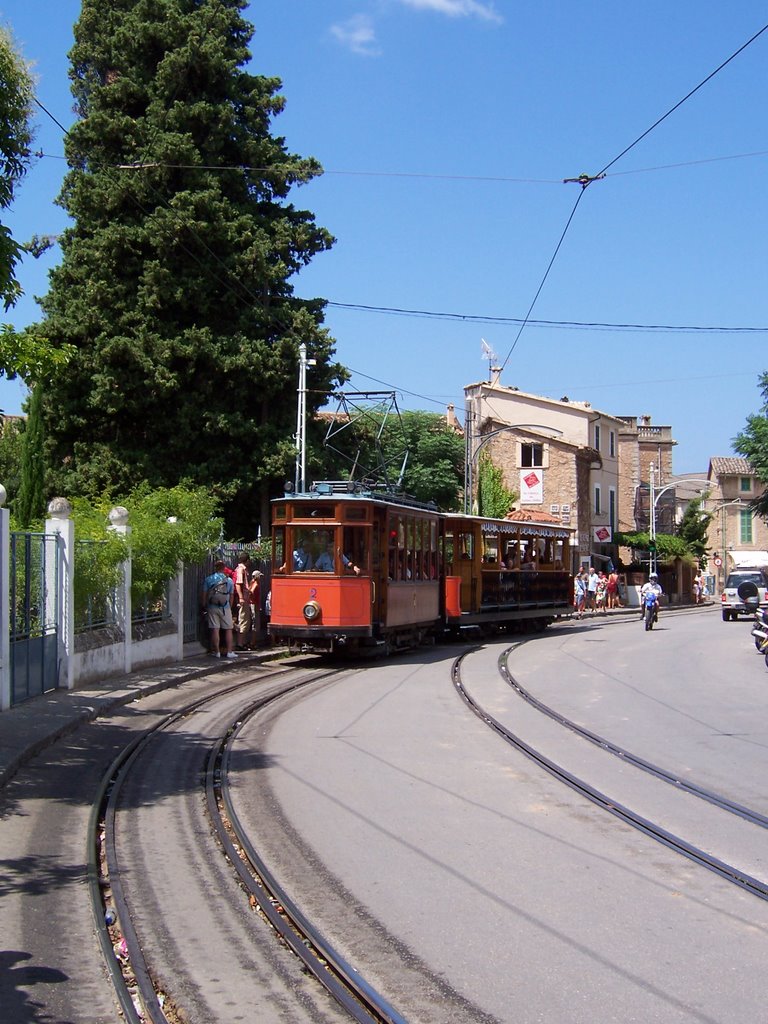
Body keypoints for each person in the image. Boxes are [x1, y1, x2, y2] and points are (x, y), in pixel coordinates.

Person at [201, 559, 237, 659]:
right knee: (228, 629)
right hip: (225, 607)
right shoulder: (228, 580)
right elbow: (231, 595)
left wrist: (204, 605)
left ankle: (217, 652)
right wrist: (229, 606)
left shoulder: (209, 579)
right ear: (224, 568)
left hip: (212, 606)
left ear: (215, 567)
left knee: (215, 629)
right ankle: (229, 652)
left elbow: (204, 594)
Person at [233, 552, 252, 651]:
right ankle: (240, 643)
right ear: (247, 560)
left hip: (244, 598)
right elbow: (238, 584)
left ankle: (242, 642)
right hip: (243, 599)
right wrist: (241, 598)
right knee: (243, 620)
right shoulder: (241, 570)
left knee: (244, 620)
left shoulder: (239, 569)